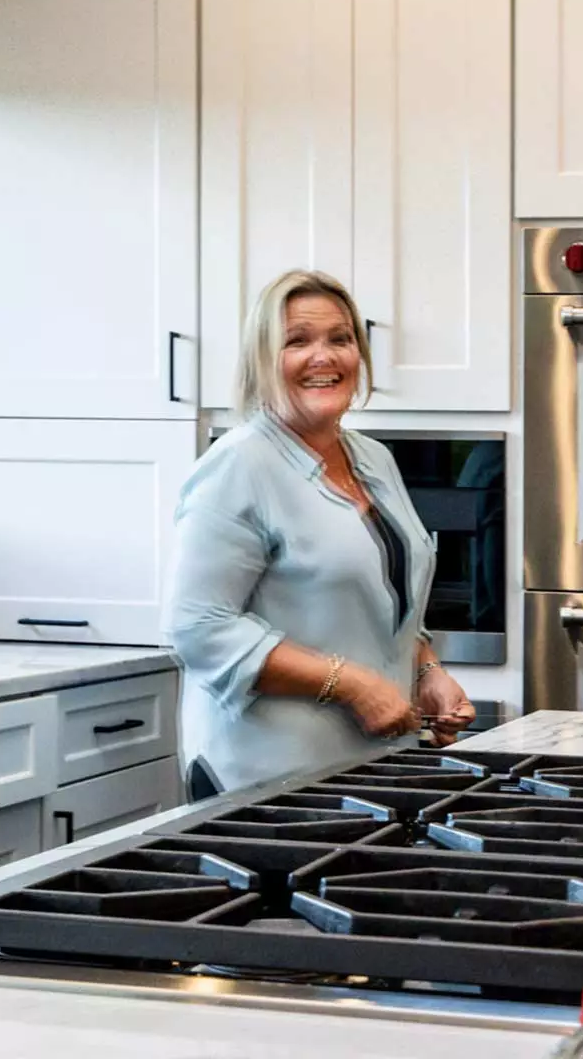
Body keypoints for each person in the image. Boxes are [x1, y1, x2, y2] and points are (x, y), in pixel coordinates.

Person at [164, 269, 476, 798]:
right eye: (297, 341)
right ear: (262, 360)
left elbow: (382, 603)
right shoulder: (239, 465)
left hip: (369, 766)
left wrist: (427, 674)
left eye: (341, 338)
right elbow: (197, 628)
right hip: (266, 778)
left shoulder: (372, 459)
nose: (324, 357)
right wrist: (353, 685)